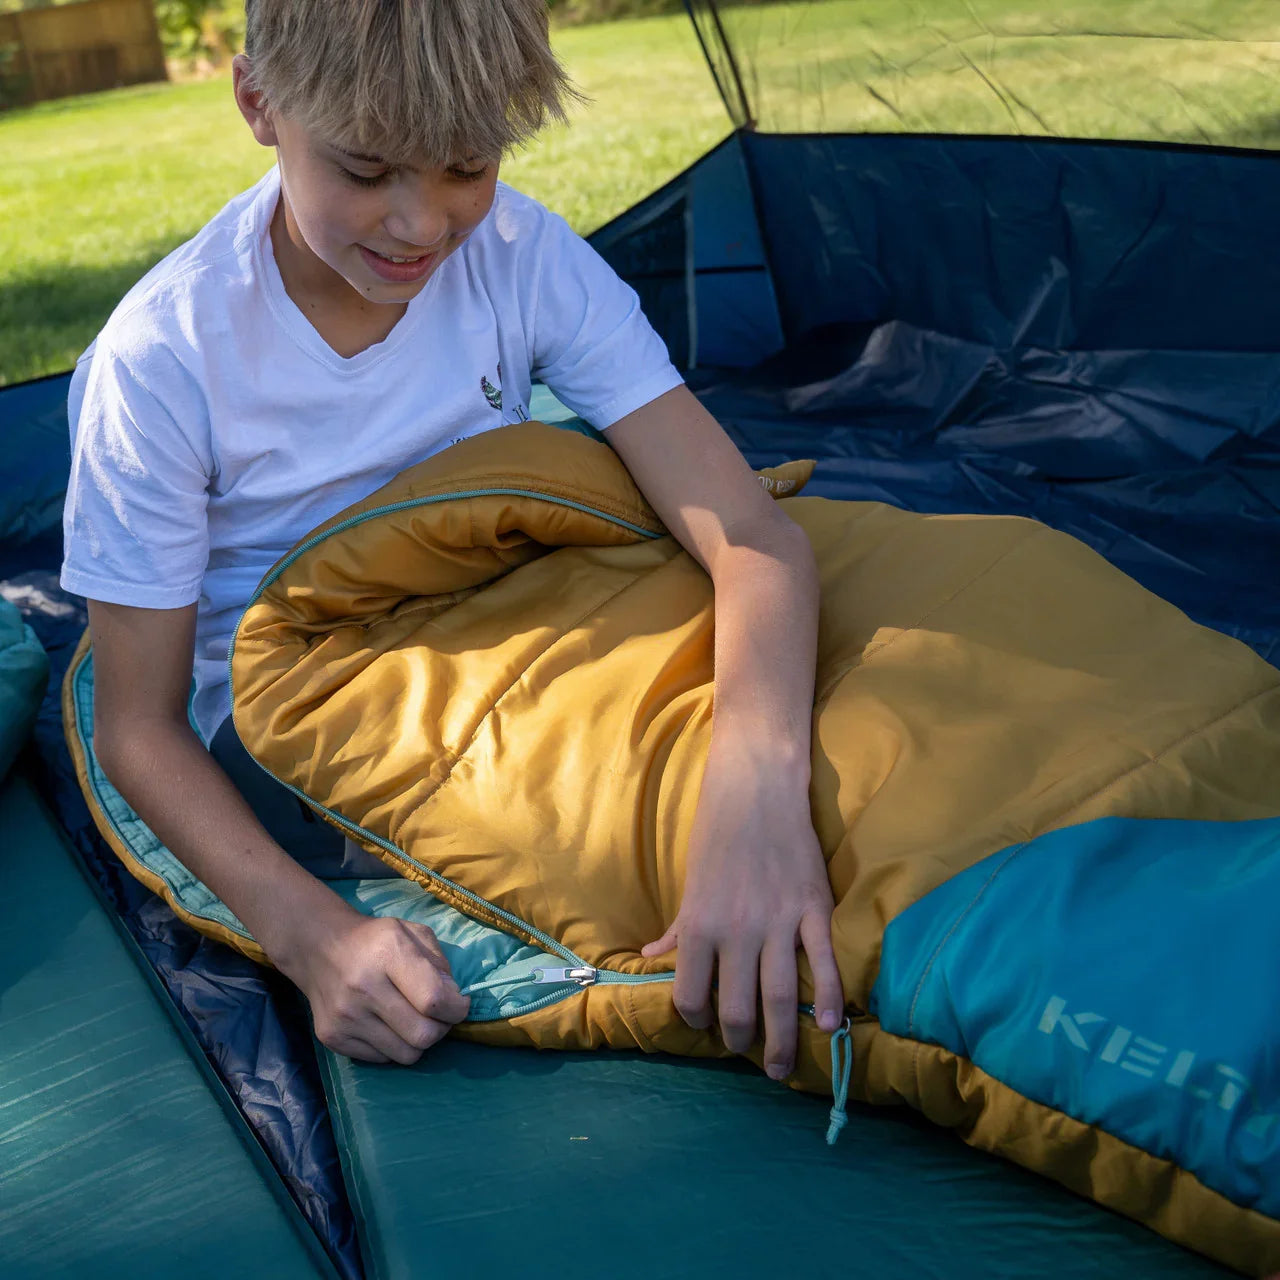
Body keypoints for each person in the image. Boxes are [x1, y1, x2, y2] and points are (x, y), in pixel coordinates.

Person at [62, 0, 844, 1080]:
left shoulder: (522, 255)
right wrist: (313, 936)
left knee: (820, 706)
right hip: (307, 715)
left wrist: (756, 785)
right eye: (366, 169)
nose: (421, 225)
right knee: (644, 826)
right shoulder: (162, 359)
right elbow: (139, 727)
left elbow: (751, 535)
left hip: (506, 621)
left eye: (464, 166)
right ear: (258, 103)